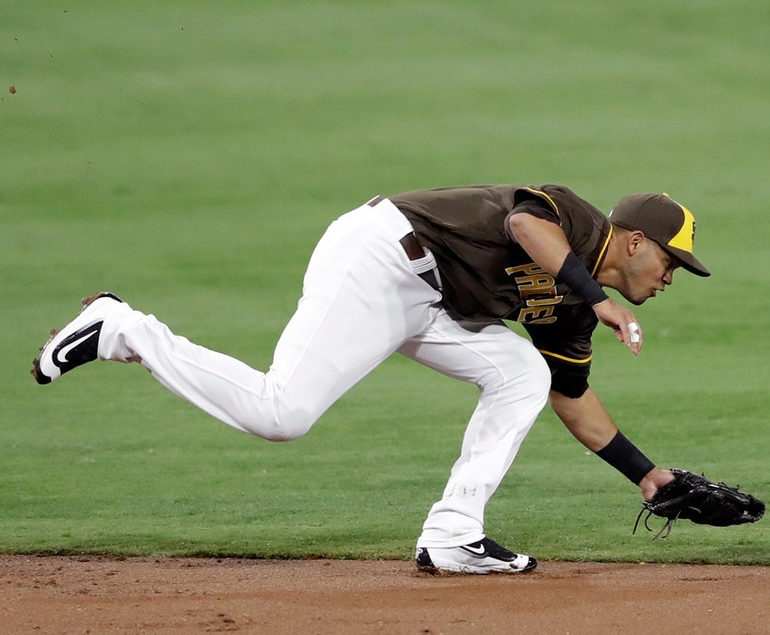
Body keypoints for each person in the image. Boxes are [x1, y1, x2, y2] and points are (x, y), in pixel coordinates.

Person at [32, 185, 711, 572]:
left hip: (428, 302)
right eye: (671, 262)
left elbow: (572, 402)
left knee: (523, 374)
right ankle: (125, 329)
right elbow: (523, 223)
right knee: (281, 414)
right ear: (633, 242)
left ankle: (452, 534)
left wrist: (650, 478)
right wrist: (597, 295)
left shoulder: (571, 309)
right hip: (380, 260)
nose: (671, 276)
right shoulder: (578, 220)